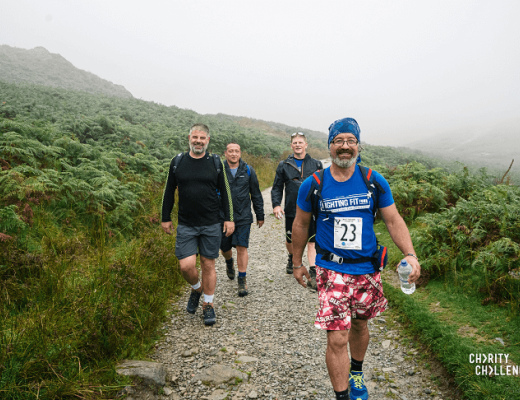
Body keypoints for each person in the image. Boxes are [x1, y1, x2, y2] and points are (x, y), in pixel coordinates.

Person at [291, 118, 421, 400]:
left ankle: (357, 373)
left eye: (351, 141)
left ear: (359, 146)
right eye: (339, 141)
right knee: (337, 335)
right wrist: (297, 262)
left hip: (366, 268)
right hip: (330, 269)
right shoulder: (314, 184)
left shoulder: (373, 180)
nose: (345, 147)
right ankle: (342, 396)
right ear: (330, 146)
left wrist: (410, 254)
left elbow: (393, 220)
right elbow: (300, 225)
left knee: (360, 325)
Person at [161, 123, 235, 326]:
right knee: (186, 266)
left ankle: (208, 305)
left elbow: (226, 192)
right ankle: (196, 288)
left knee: (208, 264)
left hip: (211, 223)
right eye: (195, 137)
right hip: (186, 223)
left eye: (202, 138)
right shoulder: (178, 162)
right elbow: (168, 191)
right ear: (189, 138)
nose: (198, 141)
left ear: (208, 140)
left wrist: (229, 218)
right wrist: (165, 217)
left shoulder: (215, 162)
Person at [271, 132, 323, 286]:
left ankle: (313, 272)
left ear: (306, 145)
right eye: (295, 143)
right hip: (291, 210)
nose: (298, 145)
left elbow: (323, 187)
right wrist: (276, 204)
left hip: (312, 210)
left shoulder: (317, 164)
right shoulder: (284, 165)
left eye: (301, 142)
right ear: (291, 145)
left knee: (312, 242)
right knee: (290, 240)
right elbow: (277, 187)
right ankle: (292, 257)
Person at [219, 143, 265, 297]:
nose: (233, 154)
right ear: (225, 153)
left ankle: (242, 278)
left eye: (236, 151)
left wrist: (260, 214)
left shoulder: (248, 170)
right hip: (223, 217)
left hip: (243, 216)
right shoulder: (219, 170)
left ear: (240, 153)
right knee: (224, 248)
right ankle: (228, 261)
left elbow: (256, 193)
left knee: (241, 247)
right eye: (230, 151)